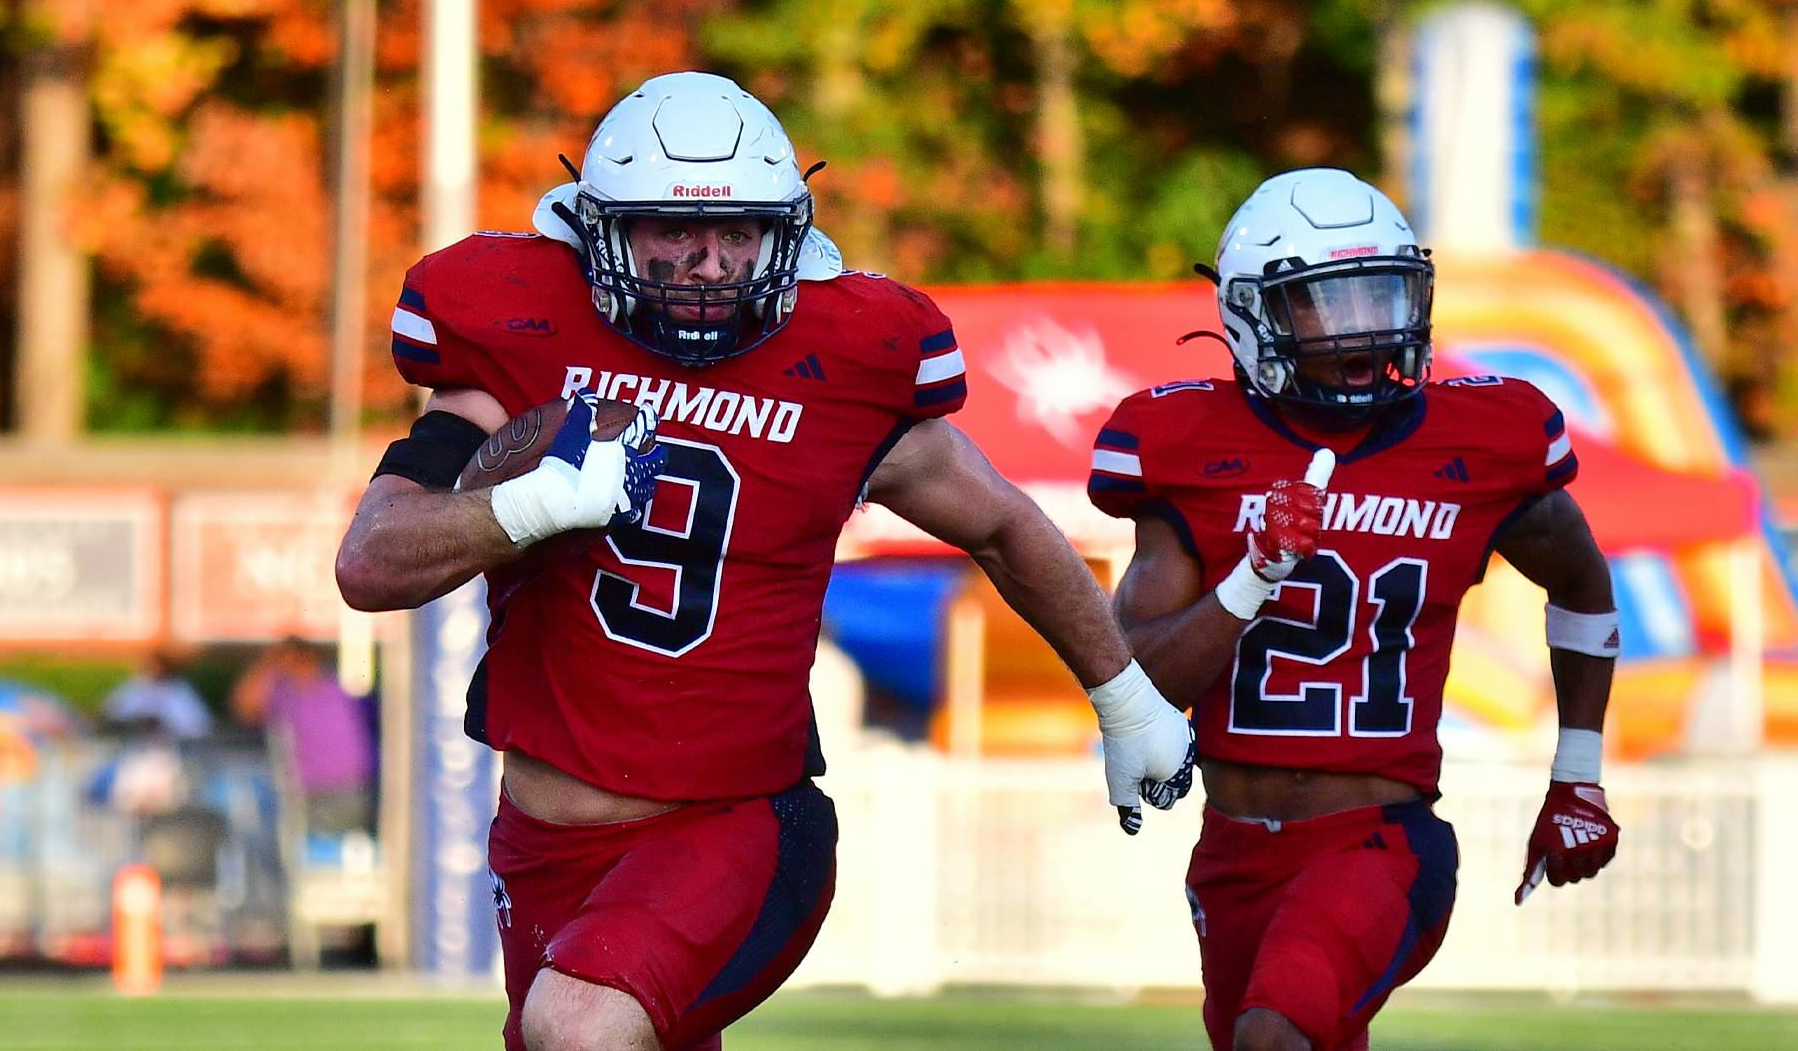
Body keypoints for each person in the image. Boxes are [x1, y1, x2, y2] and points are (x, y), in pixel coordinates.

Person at [336, 71, 1193, 1051]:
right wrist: (526, 504)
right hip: (541, 846)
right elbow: (371, 563)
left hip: (734, 827)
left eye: (740, 232)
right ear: (602, 231)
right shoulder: (520, 336)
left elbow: (1002, 524)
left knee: (579, 1027)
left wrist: (1125, 697)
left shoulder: (845, 360)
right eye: (676, 232)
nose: (710, 264)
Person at [1089, 168, 1622, 1051]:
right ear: (1252, 313)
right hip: (1233, 851)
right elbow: (1141, 683)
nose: (1366, 326)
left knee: (1273, 1036)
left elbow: (1583, 584)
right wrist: (1252, 578)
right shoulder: (1185, 443)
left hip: (1380, 842)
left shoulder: (1484, 440)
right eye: (1327, 303)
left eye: (1383, 294)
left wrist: (1579, 776)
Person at [233, 637, 376, 835]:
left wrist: (269, 664)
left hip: (345, 793)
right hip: (325, 796)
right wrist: (269, 666)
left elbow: (246, 707)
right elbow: (245, 708)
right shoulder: (288, 695)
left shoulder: (331, 692)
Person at [101, 649, 213, 741]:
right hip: (131, 743)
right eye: (150, 667)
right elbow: (110, 711)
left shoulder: (179, 690)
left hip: (169, 746)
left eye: (157, 668)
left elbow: (198, 725)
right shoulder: (135, 685)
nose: (153, 671)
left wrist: (161, 723)